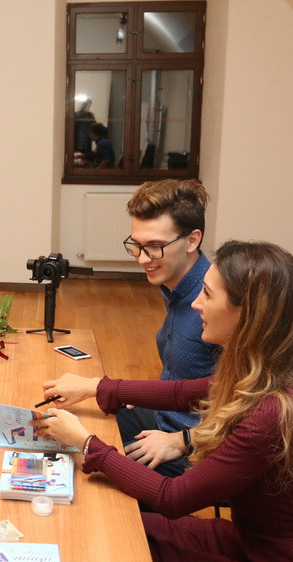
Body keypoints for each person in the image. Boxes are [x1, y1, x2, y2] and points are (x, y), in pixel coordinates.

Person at [34, 241, 293, 562]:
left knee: (122, 546)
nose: (196, 304)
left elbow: (172, 497)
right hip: (264, 550)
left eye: (208, 294)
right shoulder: (266, 370)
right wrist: (97, 387)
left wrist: (89, 445)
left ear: (247, 314)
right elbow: (182, 394)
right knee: (120, 527)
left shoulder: (273, 412)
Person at [117, 179, 220, 477]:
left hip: (197, 448)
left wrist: (181, 440)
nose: (142, 258)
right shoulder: (175, 285)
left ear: (192, 240)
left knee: (88, 461)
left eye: (155, 247)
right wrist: (150, 394)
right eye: (136, 245)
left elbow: (251, 404)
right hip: (167, 420)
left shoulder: (219, 302)